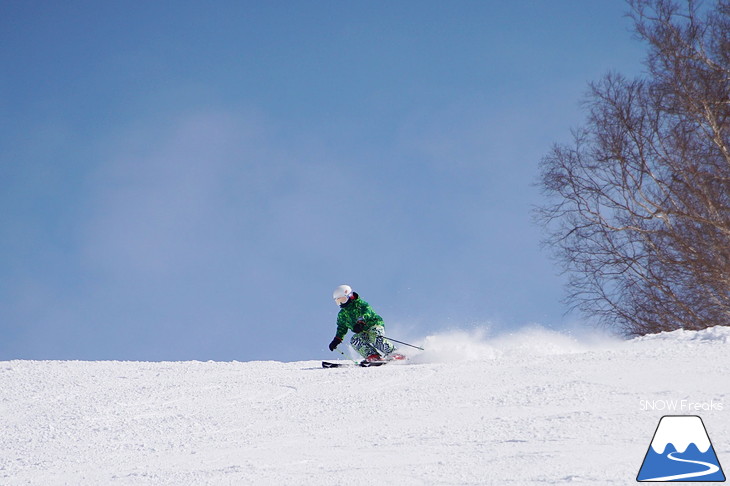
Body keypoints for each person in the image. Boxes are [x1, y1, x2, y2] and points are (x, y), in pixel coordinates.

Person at [328, 284, 401, 363]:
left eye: (343, 300)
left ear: (350, 296)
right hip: (364, 332)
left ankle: (393, 353)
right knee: (355, 340)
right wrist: (336, 340)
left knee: (374, 336)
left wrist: (361, 322)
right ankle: (373, 356)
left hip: (374, 326)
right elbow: (341, 328)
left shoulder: (360, 304)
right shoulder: (342, 315)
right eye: (338, 301)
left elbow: (366, 313)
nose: (341, 303)